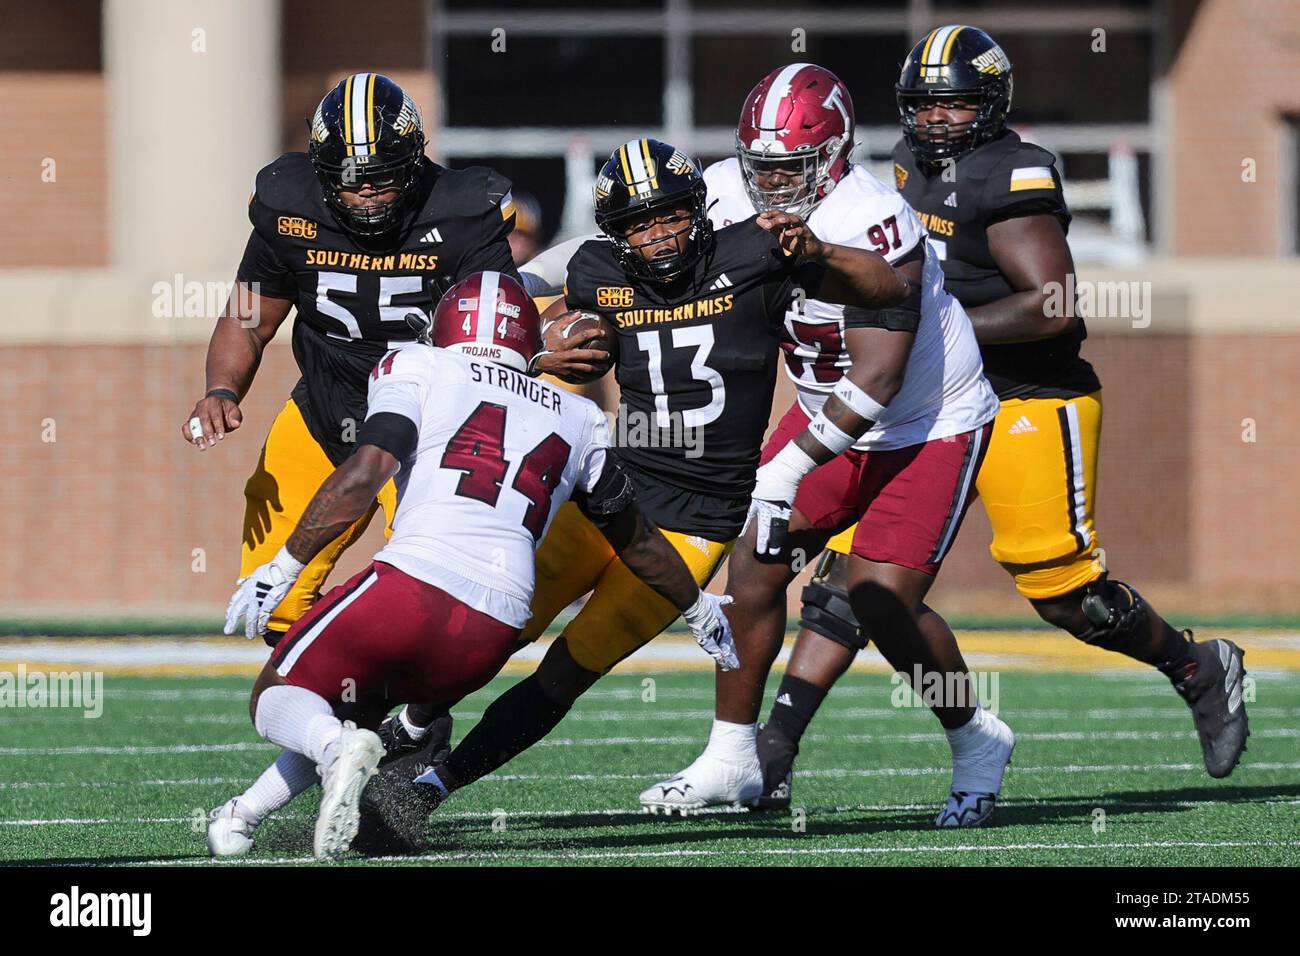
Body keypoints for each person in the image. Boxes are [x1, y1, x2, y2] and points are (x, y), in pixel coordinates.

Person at [356, 137, 910, 850]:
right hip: (610, 492)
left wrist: (823, 255)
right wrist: (538, 350)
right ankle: (407, 727)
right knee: (496, 625)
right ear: (615, 234)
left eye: (672, 217)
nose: (659, 236)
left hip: (700, 518)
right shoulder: (594, 270)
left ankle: (427, 790)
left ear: (698, 211)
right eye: (639, 225)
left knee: (571, 666)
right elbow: (502, 316)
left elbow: (890, 287)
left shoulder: (757, 251)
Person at [222, 271, 737, 858]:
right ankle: (241, 817)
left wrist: (284, 565)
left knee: (275, 696)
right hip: (492, 631)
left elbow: (366, 472)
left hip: (414, 582)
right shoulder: (581, 418)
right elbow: (638, 540)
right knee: (349, 707)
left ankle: (340, 750)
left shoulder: (414, 364)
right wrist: (698, 608)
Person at [639, 64, 1010, 826]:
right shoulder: (721, 192)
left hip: (924, 419)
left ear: (835, 153)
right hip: (822, 409)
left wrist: (784, 466)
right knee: (754, 560)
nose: (772, 183)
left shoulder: (873, 218)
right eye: (761, 166)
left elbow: (877, 379)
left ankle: (976, 735)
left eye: (790, 166)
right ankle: (733, 757)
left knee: (879, 601)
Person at [195, 71, 521, 853]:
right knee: (279, 614)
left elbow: (499, 335)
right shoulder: (287, 201)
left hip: (430, 434)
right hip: (325, 417)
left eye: (381, 178)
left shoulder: (464, 212)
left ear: (414, 166)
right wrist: (220, 386)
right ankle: (353, 739)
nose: (366, 194)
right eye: (348, 179)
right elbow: (250, 312)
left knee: (431, 607)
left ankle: (402, 747)